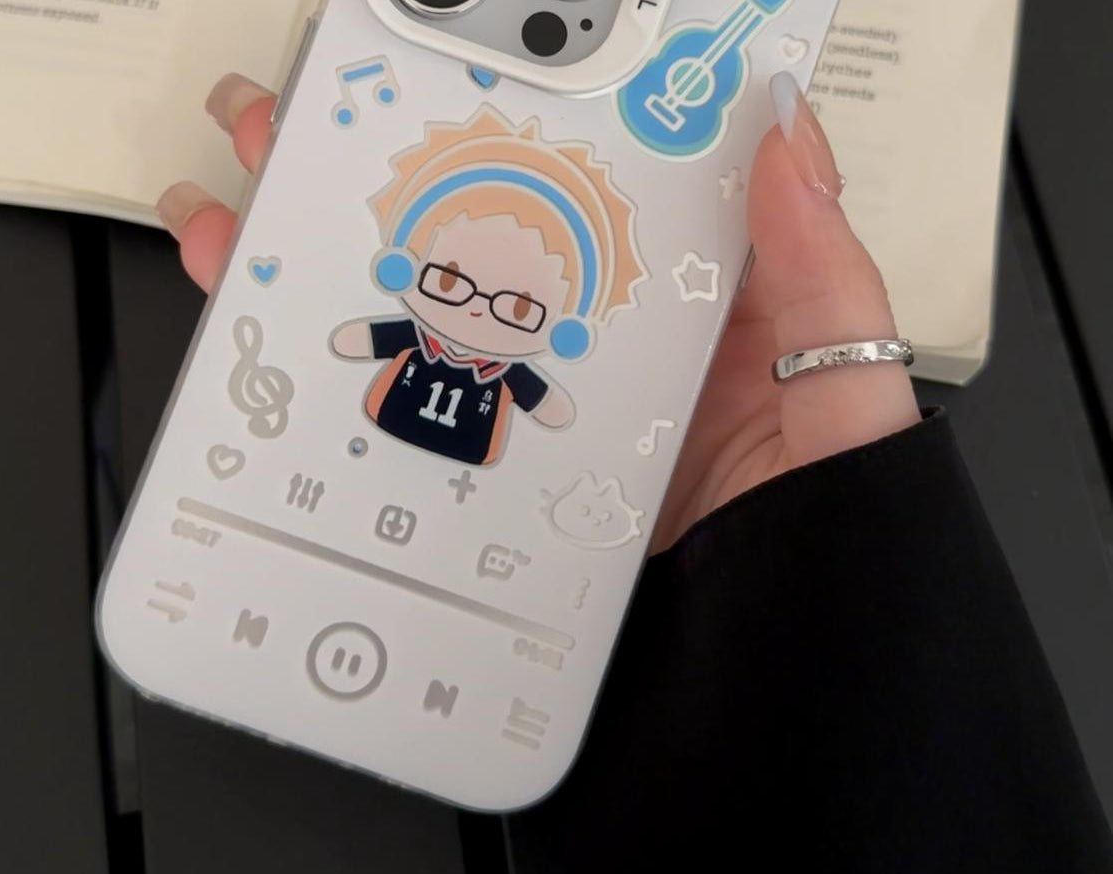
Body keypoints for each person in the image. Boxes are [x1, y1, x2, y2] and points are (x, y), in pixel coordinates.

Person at [157, 71, 1113, 870]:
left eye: (515, 308)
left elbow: (549, 403)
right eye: (451, 284)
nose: (478, 310)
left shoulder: (519, 375)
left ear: (559, 327)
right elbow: (360, 336)